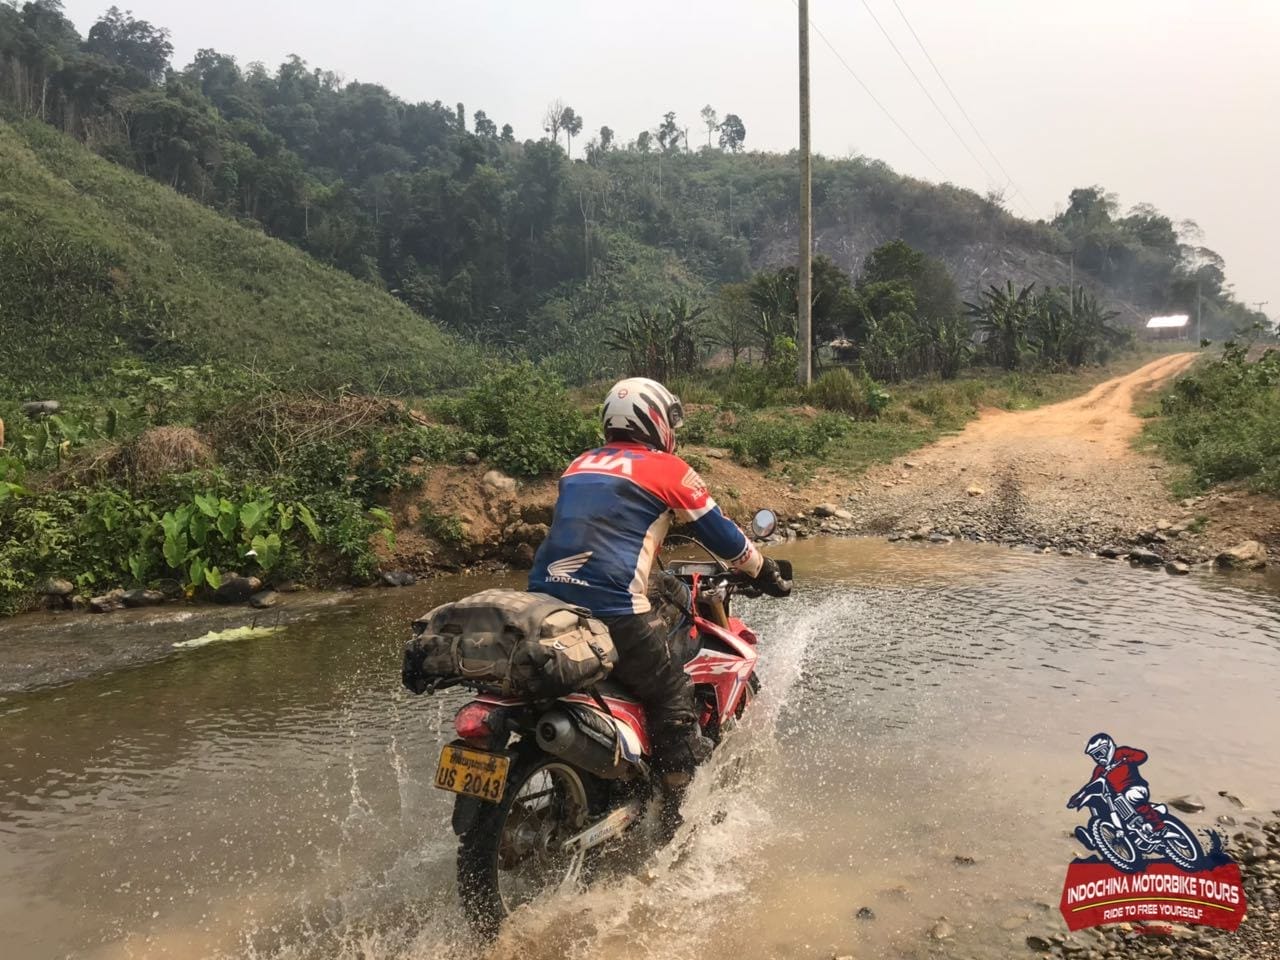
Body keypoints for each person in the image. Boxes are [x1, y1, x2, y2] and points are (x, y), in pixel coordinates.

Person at [529, 376, 790, 785]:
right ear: (654, 420)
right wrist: (765, 571)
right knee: (671, 692)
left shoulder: (578, 465)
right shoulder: (668, 469)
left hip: (544, 605)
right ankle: (675, 814)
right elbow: (723, 536)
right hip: (613, 611)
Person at [1082, 732, 1165, 835]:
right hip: (1117, 798)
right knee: (1100, 804)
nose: (1098, 758)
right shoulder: (1100, 769)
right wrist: (1080, 797)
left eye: (1100, 753)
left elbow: (1142, 755)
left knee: (1131, 796)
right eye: (1095, 756)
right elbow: (1093, 783)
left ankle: (1159, 826)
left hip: (1135, 787)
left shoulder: (1121, 753)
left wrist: (1126, 760)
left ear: (1108, 747)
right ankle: (1101, 835)